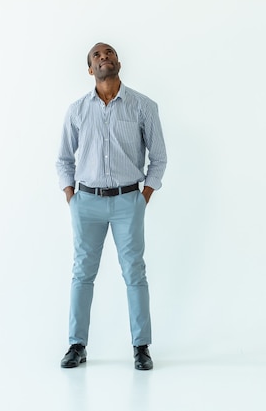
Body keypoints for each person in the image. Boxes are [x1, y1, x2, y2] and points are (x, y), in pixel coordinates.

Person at [55, 42, 167, 370]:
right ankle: (77, 345)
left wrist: (141, 197)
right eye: (96, 56)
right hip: (86, 202)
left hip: (127, 201)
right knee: (82, 273)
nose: (104, 57)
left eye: (109, 53)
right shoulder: (77, 110)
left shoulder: (143, 106)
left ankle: (141, 347)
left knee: (134, 272)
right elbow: (63, 158)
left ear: (118, 62)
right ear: (91, 69)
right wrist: (71, 197)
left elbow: (158, 158)